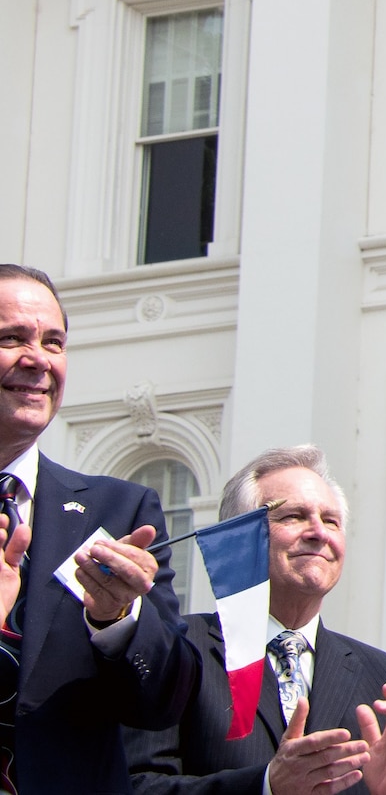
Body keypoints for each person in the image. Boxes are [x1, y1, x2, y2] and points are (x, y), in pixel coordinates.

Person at [125, 445, 386, 795]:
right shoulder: (177, 650)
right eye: (293, 516)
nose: (318, 532)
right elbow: (135, 786)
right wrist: (266, 786)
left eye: (330, 521)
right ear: (241, 538)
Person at [0, 263, 200, 791]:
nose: (37, 359)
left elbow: (165, 700)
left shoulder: (120, 513)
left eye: (54, 342)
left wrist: (117, 619)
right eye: (12, 338)